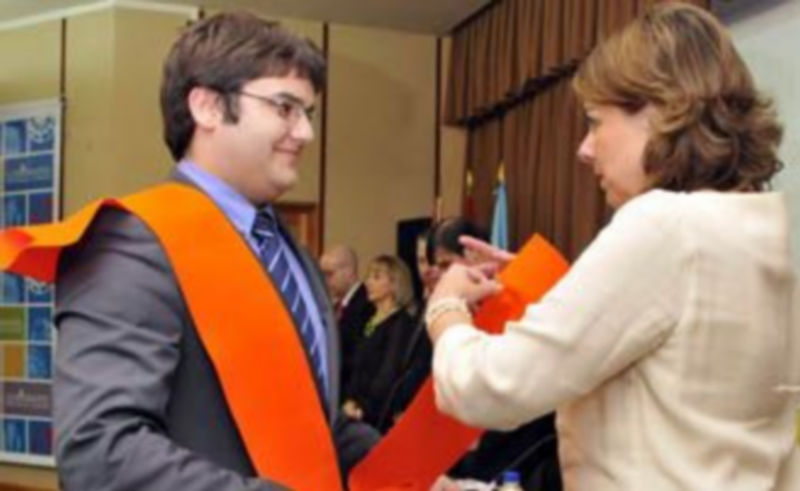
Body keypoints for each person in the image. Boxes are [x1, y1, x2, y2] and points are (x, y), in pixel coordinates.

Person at [426, 4, 798, 490]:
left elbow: (489, 390)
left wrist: (447, 309)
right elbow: (677, 358)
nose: (584, 148)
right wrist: (563, 295)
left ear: (661, 111)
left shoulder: (662, 227)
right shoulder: (773, 230)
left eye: (596, 121)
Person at [52, 12, 377, 490]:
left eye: (309, 113)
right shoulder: (132, 241)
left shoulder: (292, 254)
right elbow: (101, 451)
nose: (305, 132)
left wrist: (420, 476)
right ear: (206, 107)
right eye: (285, 107)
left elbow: (312, 423)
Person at [343, 255, 416, 433]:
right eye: (368, 276)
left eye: (376, 277)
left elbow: (388, 373)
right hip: (353, 410)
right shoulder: (368, 319)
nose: (368, 282)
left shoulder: (400, 323)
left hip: (375, 418)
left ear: (394, 284)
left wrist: (363, 407)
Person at [320, 244, 375, 395]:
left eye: (329, 274)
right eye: (322, 274)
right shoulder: (333, 305)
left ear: (349, 272)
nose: (325, 280)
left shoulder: (367, 304)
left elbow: (361, 358)